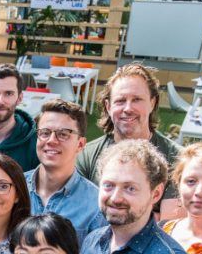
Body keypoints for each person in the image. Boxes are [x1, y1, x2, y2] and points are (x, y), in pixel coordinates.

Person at [76, 63, 182, 199]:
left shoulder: (176, 159)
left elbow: (169, 218)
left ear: (152, 103)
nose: (128, 108)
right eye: (120, 101)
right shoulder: (86, 156)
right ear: (108, 107)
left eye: (136, 99)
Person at [25, 99, 106, 244]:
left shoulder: (96, 205)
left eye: (63, 134)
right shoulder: (15, 188)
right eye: (45, 132)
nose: (51, 140)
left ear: (80, 144)